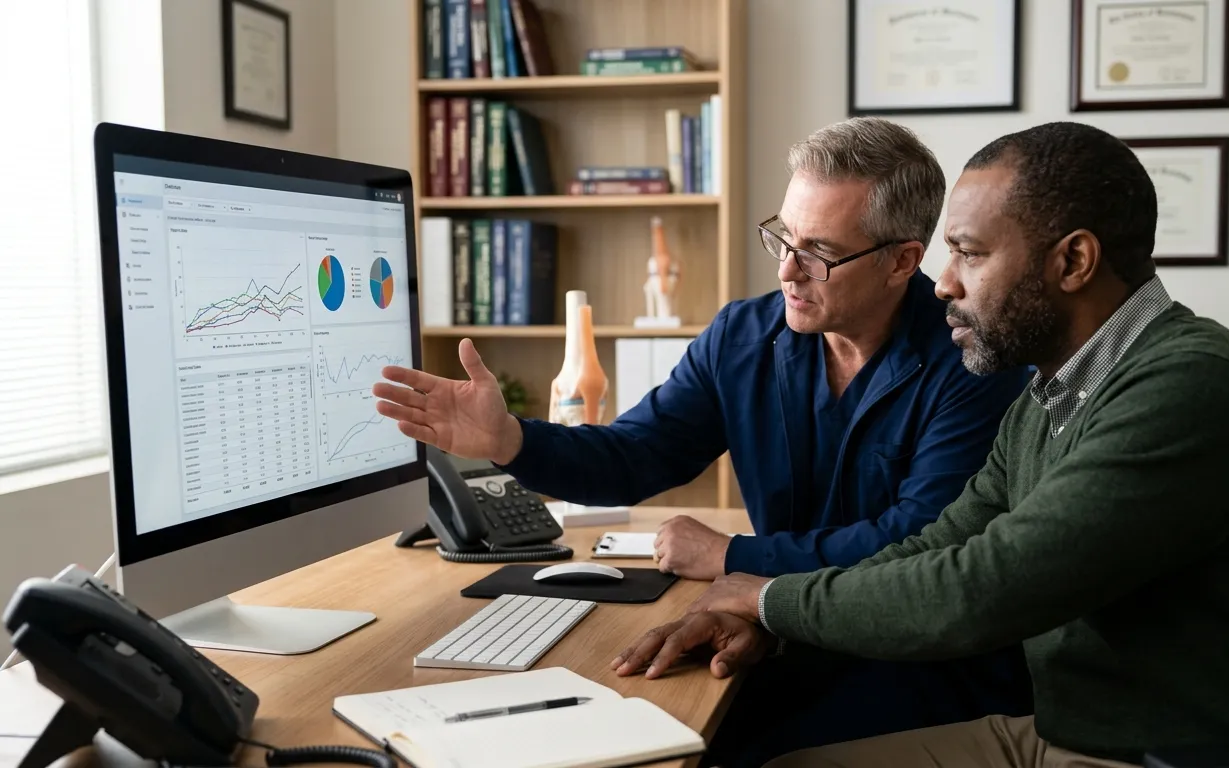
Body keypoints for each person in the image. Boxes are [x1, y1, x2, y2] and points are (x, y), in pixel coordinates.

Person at [609, 121, 1229, 768]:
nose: (942, 283)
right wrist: (767, 621)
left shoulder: (1188, 387)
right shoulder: (1051, 392)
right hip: (1076, 731)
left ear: (1072, 262)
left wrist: (765, 594)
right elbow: (940, 542)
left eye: (969, 254)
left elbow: (977, 589)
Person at [373, 117, 1032, 763]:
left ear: (902, 261)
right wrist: (511, 439)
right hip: (784, 634)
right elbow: (634, 455)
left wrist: (732, 556)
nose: (788, 272)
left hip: (917, 665)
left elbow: (915, 545)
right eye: (783, 239)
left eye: (820, 253)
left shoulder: (972, 361)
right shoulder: (742, 337)